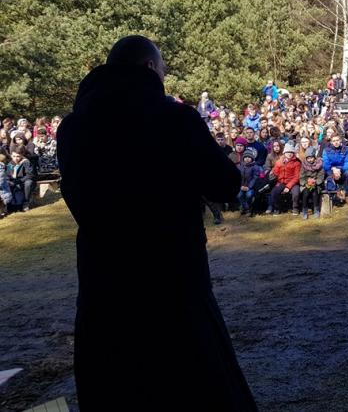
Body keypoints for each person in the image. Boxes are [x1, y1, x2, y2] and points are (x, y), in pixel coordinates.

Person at [57, 35, 257, 411]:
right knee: (191, 383)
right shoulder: (175, 118)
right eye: (163, 69)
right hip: (173, 278)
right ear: (150, 68)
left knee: (115, 388)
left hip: (104, 281)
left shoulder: (72, 127)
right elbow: (226, 184)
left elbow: (76, 196)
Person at [323, 134, 348, 203]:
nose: (336, 142)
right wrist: (333, 169)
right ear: (331, 142)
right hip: (330, 170)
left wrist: (339, 169)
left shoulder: (345, 149)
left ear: (340, 141)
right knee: (324, 173)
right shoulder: (326, 150)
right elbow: (326, 164)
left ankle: (347, 195)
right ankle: (332, 194)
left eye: (337, 140)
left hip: (342, 170)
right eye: (334, 141)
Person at [300, 147, 325, 219]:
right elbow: (301, 176)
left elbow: (321, 176)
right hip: (306, 183)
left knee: (315, 193)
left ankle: (316, 209)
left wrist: (315, 182)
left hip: (316, 183)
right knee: (305, 193)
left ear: (314, 157)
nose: (310, 160)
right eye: (308, 158)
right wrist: (306, 182)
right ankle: (304, 210)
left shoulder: (319, 165)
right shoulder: (304, 165)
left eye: (311, 158)